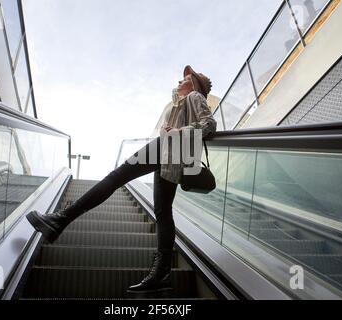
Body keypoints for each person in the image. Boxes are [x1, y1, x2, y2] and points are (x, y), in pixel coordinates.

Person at [26, 65, 217, 294]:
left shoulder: (195, 96)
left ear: (194, 84)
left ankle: (60, 220)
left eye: (185, 79)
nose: (179, 81)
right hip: (169, 156)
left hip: (169, 148)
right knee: (163, 212)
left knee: (116, 177)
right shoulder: (179, 102)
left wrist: (177, 133)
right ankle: (162, 274)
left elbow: (209, 125)